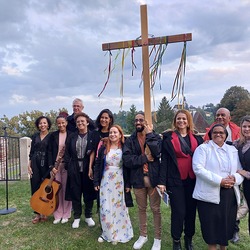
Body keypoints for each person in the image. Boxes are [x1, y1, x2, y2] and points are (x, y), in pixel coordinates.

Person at [192, 124, 244, 250]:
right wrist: (220, 181)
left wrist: (235, 178)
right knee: (212, 229)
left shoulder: (232, 150)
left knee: (225, 227)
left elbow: (240, 170)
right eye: (215, 132)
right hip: (209, 195)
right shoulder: (203, 149)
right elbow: (198, 169)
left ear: (226, 135)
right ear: (210, 134)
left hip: (229, 195)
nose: (218, 134)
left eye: (221, 132)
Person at [158, 109, 203, 250]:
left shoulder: (197, 139)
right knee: (179, 212)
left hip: (193, 180)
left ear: (188, 121)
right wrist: (161, 182)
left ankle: (188, 239)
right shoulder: (168, 138)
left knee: (191, 211)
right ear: (175, 121)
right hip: (175, 180)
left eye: (184, 118)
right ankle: (176, 240)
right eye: (178, 119)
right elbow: (164, 161)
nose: (181, 121)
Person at [203, 107, 244, 243]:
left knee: (233, 205)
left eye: (223, 115)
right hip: (217, 176)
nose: (220, 117)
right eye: (218, 115)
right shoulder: (211, 131)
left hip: (235, 171)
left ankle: (234, 230)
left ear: (229, 118)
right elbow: (205, 143)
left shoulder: (236, 131)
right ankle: (216, 232)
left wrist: (236, 177)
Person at [123, 112, 162, 250]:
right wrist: (144, 158)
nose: (138, 122)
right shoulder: (130, 140)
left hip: (153, 178)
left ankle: (157, 238)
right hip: (138, 179)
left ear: (146, 122)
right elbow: (127, 160)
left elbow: (157, 153)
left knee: (156, 209)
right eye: (136, 120)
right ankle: (143, 235)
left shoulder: (155, 137)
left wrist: (150, 134)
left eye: (141, 120)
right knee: (141, 209)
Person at [93, 125, 134, 245]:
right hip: (105, 180)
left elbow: (127, 168)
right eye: (111, 132)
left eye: (115, 132)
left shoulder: (125, 147)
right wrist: (96, 181)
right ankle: (107, 233)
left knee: (118, 207)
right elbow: (98, 165)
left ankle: (119, 232)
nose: (112, 134)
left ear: (120, 134)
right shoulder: (104, 147)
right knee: (105, 207)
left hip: (119, 181)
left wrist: (128, 184)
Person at [64, 112, 96, 229]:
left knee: (88, 193)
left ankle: (88, 216)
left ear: (87, 122)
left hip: (88, 168)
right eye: (78, 122)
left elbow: (95, 152)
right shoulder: (72, 136)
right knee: (75, 193)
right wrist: (68, 165)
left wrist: (93, 168)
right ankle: (77, 217)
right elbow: (67, 153)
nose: (80, 123)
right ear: (76, 124)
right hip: (74, 168)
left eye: (82, 121)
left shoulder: (93, 135)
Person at [48, 112, 72, 224]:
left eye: (63, 123)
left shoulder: (71, 134)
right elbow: (49, 152)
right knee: (56, 190)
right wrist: (51, 166)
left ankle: (66, 214)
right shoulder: (53, 136)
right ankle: (57, 214)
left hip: (66, 165)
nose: (61, 125)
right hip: (55, 166)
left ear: (66, 123)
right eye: (59, 123)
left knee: (66, 189)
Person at [28, 116, 52, 224]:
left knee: (45, 187)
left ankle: (44, 212)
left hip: (46, 164)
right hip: (35, 163)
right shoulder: (35, 136)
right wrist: (29, 164)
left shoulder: (52, 137)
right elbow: (31, 152)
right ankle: (37, 214)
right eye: (40, 123)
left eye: (44, 123)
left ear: (48, 124)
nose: (42, 125)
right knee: (35, 187)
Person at [233, 116, 250, 235]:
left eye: (249, 126)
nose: (247, 129)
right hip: (246, 187)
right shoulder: (238, 144)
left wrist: (244, 173)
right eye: (244, 126)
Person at [88, 108, 114, 180]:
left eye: (106, 118)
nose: (103, 120)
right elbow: (93, 151)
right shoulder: (95, 133)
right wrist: (90, 167)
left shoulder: (113, 133)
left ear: (110, 120)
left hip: (110, 166)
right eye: (102, 117)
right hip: (97, 165)